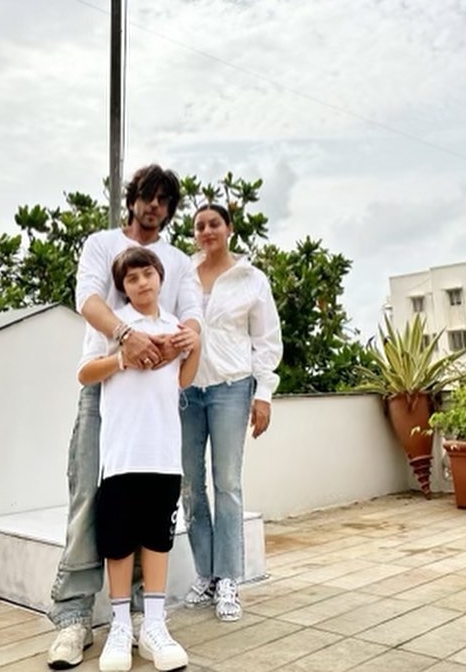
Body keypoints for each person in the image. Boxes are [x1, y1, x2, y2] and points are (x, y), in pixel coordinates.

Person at [47, 165, 201, 670]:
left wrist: (188, 338)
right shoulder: (100, 243)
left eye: (163, 199)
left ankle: (138, 617)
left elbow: (191, 313)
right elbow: (87, 299)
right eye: (146, 196)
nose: (153, 205)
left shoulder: (178, 260)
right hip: (106, 385)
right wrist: (124, 338)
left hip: (156, 399)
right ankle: (73, 616)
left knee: (149, 506)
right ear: (131, 199)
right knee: (90, 498)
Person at [79, 247, 200, 672]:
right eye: (132, 279)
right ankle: (118, 627)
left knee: (157, 540)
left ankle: (153, 625)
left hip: (163, 454)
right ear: (123, 287)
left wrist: (195, 345)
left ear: (160, 277)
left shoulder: (175, 327)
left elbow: (182, 380)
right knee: (118, 542)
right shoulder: (114, 325)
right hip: (122, 454)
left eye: (148, 274)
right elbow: (84, 373)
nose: (142, 283)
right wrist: (121, 357)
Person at [180, 203, 283, 622]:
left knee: (226, 483)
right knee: (190, 485)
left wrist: (264, 394)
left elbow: (267, 340)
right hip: (186, 393)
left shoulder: (251, 279)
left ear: (229, 229)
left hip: (231, 389)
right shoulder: (181, 275)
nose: (206, 231)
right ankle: (205, 572)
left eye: (214, 224)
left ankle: (228, 580)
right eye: (199, 226)